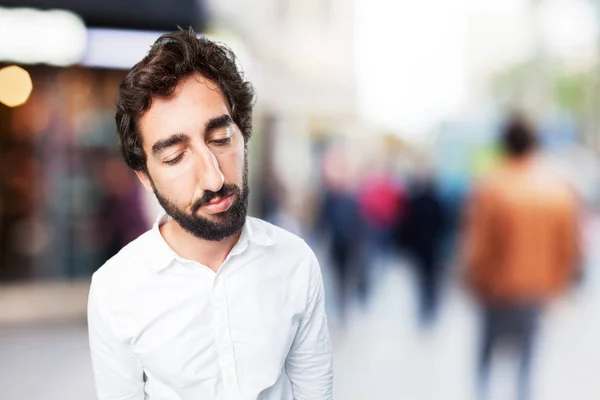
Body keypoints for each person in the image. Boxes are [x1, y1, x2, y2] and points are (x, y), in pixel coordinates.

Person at [87, 28, 333, 400]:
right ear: (146, 177)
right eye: (174, 157)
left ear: (244, 135)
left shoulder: (295, 262)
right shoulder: (115, 290)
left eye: (221, 139)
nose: (214, 178)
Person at [463, 114, 580, 400]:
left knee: (486, 357)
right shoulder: (557, 189)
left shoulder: (491, 186)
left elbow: (478, 244)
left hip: (496, 289)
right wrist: (559, 285)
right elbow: (568, 247)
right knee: (527, 361)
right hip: (537, 290)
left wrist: (471, 280)